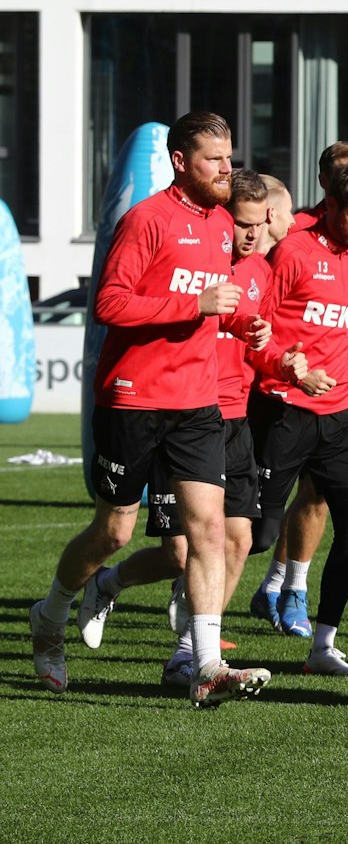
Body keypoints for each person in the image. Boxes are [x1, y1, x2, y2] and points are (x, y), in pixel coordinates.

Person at [29, 111, 273, 706]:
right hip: (133, 399)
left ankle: (206, 663)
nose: (227, 168)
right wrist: (196, 303)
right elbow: (111, 303)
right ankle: (51, 614)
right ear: (180, 162)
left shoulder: (222, 225)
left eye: (230, 155)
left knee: (208, 531)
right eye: (215, 159)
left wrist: (248, 324)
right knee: (114, 532)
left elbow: (220, 303)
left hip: (196, 402)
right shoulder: (146, 220)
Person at [73, 172, 287, 686]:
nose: (252, 235)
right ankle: (106, 583)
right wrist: (199, 306)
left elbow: (258, 339)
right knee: (175, 550)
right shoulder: (185, 247)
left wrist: (276, 353)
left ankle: (191, 658)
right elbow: (118, 304)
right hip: (177, 409)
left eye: (261, 225)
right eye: (242, 223)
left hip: (230, 419)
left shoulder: (258, 271)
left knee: (233, 539)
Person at [247, 159, 348, 677]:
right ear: (332, 206)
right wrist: (291, 369)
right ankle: (187, 628)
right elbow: (255, 329)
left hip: (337, 416)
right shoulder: (292, 251)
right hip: (283, 411)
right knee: (253, 536)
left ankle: (323, 646)